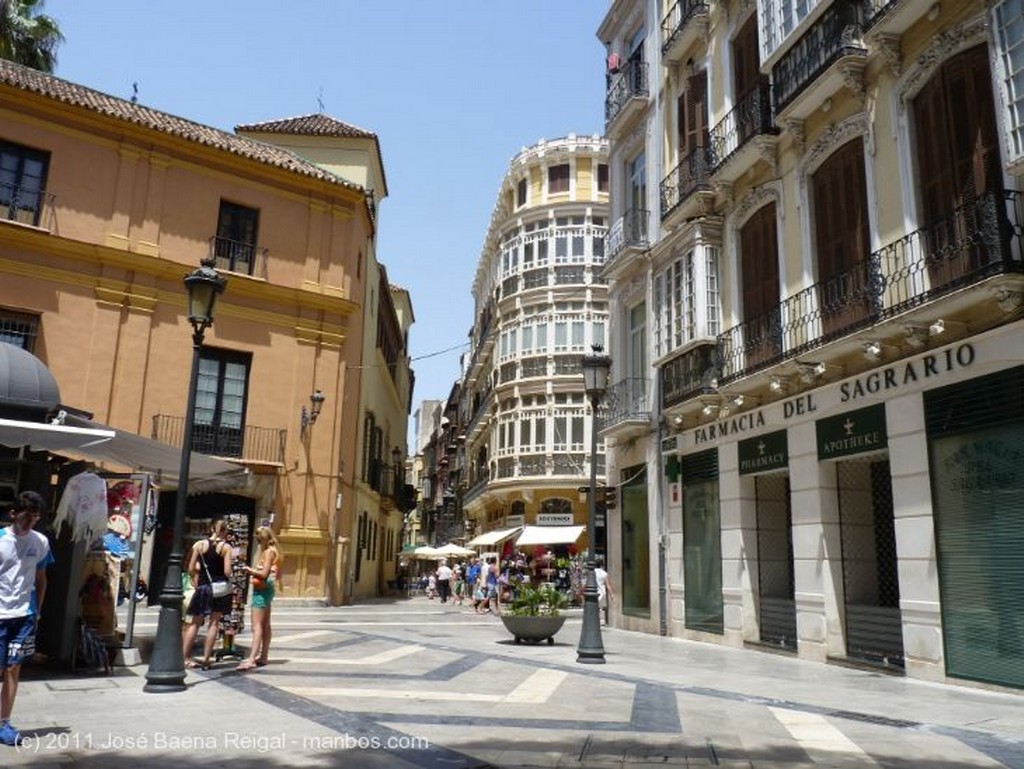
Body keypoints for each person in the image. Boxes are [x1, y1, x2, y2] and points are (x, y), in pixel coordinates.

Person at [0, 491, 50, 747]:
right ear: (13, 514)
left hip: (24, 615)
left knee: (13, 667)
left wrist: (37, 611)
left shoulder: (40, 542)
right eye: (27, 515)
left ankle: (4, 722)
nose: (31, 521)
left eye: (36, 516)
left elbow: (41, 578)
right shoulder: (0, 540)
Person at [182, 519, 232, 670]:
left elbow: (190, 568)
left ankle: (184, 658)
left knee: (194, 623)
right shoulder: (226, 547)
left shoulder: (199, 545)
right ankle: (206, 659)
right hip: (219, 589)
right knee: (214, 623)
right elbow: (227, 572)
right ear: (225, 531)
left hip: (203, 587)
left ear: (211, 528)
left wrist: (197, 581)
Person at [236, 526, 282, 672]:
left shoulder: (268, 552)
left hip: (261, 591)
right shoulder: (276, 551)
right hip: (268, 590)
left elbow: (263, 574)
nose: (258, 543)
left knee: (257, 627)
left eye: (259, 540)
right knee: (266, 624)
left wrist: (250, 570)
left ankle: (251, 659)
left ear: (264, 539)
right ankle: (264, 655)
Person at [594, 556, 612, 626]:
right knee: (602, 608)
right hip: (602, 593)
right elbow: (608, 585)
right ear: (601, 565)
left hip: (594, 593)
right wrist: (611, 594)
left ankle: (596, 620)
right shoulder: (604, 573)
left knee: (595, 608)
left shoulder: (592, 573)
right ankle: (602, 621)